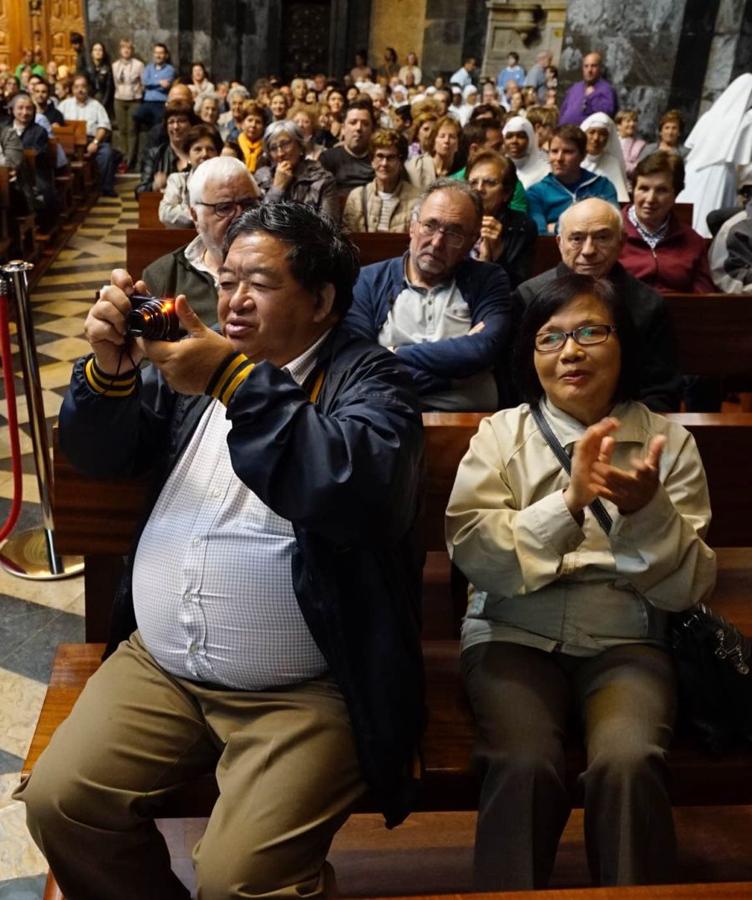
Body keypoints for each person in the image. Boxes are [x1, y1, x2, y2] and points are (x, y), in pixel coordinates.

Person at [17, 199, 425, 900]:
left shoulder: (372, 380)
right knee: (62, 804)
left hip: (307, 684)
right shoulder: (199, 372)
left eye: (259, 283)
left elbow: (352, 484)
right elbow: (101, 455)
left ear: (323, 299)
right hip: (163, 666)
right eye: (226, 277)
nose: (233, 301)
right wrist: (111, 373)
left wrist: (230, 381)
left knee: (240, 879)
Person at [446, 271, 715, 892]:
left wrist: (648, 512)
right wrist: (565, 505)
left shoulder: (667, 443)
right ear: (530, 355)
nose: (571, 351)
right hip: (512, 631)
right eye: (550, 337)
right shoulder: (500, 434)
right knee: (523, 763)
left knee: (629, 761)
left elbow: (687, 590)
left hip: (626, 637)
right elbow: (474, 552)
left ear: (623, 345)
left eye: (591, 331)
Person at [345, 179, 514, 411]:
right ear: (412, 226)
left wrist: (393, 354)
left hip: (473, 424)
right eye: (430, 225)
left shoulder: (488, 280)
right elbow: (359, 366)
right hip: (386, 419)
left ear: (473, 241)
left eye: (455, 233)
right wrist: (457, 375)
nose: (436, 243)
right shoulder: (367, 281)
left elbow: (482, 349)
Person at [514, 198, 683, 411]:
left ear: (622, 242)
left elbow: (661, 389)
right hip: (544, 424)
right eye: (576, 238)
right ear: (560, 243)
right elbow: (517, 382)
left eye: (602, 237)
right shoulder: (529, 296)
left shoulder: (648, 304)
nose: (588, 250)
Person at [143, 156, 260, 322]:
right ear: (195, 216)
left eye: (249, 205)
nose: (241, 217)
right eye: (224, 208)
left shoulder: (282, 266)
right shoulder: (164, 276)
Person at [620, 151, 713, 293]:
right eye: (643, 188)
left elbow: (703, 298)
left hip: (679, 313)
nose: (650, 199)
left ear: (676, 194)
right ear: (633, 190)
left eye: (661, 190)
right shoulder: (610, 233)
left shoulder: (693, 241)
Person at [526, 125, 618, 234]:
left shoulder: (602, 186)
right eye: (554, 151)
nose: (559, 158)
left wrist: (556, 227)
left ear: (583, 155)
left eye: (568, 152)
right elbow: (540, 235)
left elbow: (612, 226)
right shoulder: (536, 192)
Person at [467, 151, 536, 288]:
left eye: (489, 183)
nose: (479, 189)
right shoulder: (455, 220)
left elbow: (518, 288)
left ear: (507, 193)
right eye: (473, 182)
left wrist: (499, 255)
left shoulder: (522, 227)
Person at [253, 121, 339, 222]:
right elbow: (259, 223)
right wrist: (277, 189)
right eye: (273, 148)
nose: (280, 153)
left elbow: (330, 227)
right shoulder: (262, 178)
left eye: (285, 144)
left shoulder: (323, 179)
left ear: (300, 145)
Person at [342, 128, 420, 232]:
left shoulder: (416, 199)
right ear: (372, 160)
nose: (384, 163)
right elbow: (347, 238)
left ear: (401, 161)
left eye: (391, 157)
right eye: (380, 156)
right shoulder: (357, 197)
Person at [58, 73, 117, 196]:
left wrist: (95, 142)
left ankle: (106, 187)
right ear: (72, 89)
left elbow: (104, 126)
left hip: (91, 140)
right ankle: (69, 191)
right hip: (70, 143)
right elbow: (57, 125)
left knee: (107, 152)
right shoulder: (64, 105)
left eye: (83, 86)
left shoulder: (96, 105)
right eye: (77, 87)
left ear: (88, 88)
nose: (80, 90)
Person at [159, 123, 223, 228]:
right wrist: (203, 214)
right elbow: (165, 213)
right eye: (198, 149)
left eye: (210, 149)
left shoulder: (226, 183)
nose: (204, 154)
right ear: (188, 155)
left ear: (218, 154)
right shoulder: (177, 180)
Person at [319, 100, 375, 198]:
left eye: (365, 124)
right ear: (343, 129)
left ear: (372, 130)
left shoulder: (381, 159)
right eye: (353, 122)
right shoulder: (328, 158)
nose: (359, 128)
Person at [136, 101, 194, 194]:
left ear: (191, 125)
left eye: (181, 121)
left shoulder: (200, 153)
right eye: (171, 122)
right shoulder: (155, 154)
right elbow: (139, 192)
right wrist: (154, 186)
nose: (176, 127)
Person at [558, 52, 618, 127]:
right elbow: (563, 109)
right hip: (564, 130)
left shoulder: (606, 89)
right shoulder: (575, 87)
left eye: (593, 66)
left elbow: (607, 113)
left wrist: (590, 99)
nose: (589, 70)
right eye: (586, 66)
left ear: (600, 68)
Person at [581, 112, 630, 202]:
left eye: (602, 134)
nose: (596, 138)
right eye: (591, 132)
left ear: (608, 138)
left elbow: (620, 199)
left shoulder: (612, 163)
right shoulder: (574, 159)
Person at [112, 39, 144, 171]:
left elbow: (143, 82)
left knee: (132, 130)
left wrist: (138, 93)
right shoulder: (115, 65)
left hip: (134, 100)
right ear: (120, 50)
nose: (126, 50)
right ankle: (123, 158)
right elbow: (115, 82)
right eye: (124, 48)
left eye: (129, 48)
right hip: (119, 99)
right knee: (122, 129)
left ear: (132, 50)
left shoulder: (138, 65)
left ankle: (130, 161)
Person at [405, 114, 462, 190]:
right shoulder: (415, 166)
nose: (446, 141)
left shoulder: (462, 170)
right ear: (434, 141)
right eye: (442, 136)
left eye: (452, 137)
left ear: (458, 144)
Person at [133, 43, 175, 133]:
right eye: (156, 53)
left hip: (160, 103)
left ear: (166, 55)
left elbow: (165, 87)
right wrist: (159, 82)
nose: (158, 55)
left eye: (161, 53)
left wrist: (150, 85)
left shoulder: (170, 69)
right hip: (147, 102)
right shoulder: (148, 68)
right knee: (136, 116)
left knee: (158, 126)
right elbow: (144, 82)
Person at [502, 115, 549, 189]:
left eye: (520, 136)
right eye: (509, 136)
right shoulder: (499, 167)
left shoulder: (546, 171)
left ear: (530, 139)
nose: (514, 141)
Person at [84, 41, 114, 116]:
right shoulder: (87, 69)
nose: (98, 52)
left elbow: (109, 88)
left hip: (104, 101)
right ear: (91, 53)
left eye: (100, 50)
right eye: (95, 50)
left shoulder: (107, 68)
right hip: (89, 101)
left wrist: (103, 104)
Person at [615, 110, 645, 178]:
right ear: (618, 125)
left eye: (634, 121)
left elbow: (637, 168)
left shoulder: (641, 144)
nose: (632, 124)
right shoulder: (609, 140)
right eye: (628, 121)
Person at [237, 100, 265, 172]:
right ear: (242, 124)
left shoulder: (267, 150)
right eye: (250, 120)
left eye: (258, 122)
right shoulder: (234, 145)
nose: (253, 125)